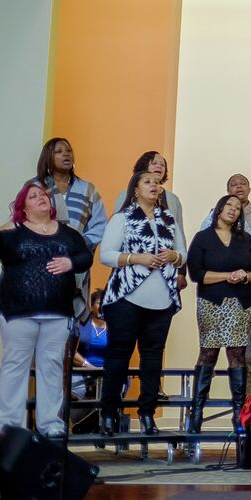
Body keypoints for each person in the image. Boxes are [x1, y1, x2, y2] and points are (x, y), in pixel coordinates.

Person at [0, 182, 92, 439]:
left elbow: (86, 257)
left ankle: (50, 423)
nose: (41, 197)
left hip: (58, 313)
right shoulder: (13, 232)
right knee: (15, 366)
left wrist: (71, 262)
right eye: (33, 196)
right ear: (24, 208)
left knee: (51, 366)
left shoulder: (68, 233)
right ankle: (7, 424)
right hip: (18, 312)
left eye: (42, 194)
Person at [98, 170, 188, 436]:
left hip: (161, 299)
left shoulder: (169, 219)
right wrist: (138, 258)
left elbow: (183, 255)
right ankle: (108, 413)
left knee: (152, 358)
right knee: (119, 355)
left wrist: (174, 255)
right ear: (135, 190)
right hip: (126, 297)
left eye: (157, 183)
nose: (154, 186)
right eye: (147, 182)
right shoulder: (122, 217)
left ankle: (147, 415)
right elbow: (106, 255)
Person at [199, 174, 251, 393]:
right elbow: (202, 241)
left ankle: (246, 387)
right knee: (214, 335)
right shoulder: (214, 215)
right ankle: (203, 396)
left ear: (249, 189)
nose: (238, 187)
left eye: (242, 183)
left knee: (248, 331)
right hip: (220, 283)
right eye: (233, 184)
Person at [186, 194, 251, 434]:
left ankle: (239, 415)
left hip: (240, 303)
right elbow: (197, 273)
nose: (233, 210)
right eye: (229, 205)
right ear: (219, 208)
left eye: (238, 208)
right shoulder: (203, 238)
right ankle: (196, 413)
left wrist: (244, 275)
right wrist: (227, 276)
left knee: (237, 354)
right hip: (211, 303)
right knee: (208, 353)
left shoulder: (245, 238)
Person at [31, 137, 107, 320]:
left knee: (71, 321)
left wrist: (78, 245)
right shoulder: (34, 187)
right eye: (59, 151)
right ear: (48, 157)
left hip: (75, 263)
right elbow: (22, 219)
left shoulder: (88, 189)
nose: (66, 154)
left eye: (68, 150)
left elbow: (100, 224)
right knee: (39, 316)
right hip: (41, 262)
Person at [112, 151, 186, 293]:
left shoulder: (173, 199)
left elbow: (179, 235)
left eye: (162, 164)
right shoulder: (125, 195)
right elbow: (117, 234)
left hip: (165, 271)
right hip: (132, 269)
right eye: (154, 163)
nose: (159, 166)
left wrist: (181, 271)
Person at [73, 291, 108, 398]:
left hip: (106, 372)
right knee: (76, 391)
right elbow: (71, 353)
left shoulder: (115, 327)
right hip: (81, 370)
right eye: (99, 303)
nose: (103, 306)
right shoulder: (81, 325)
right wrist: (89, 366)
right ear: (91, 307)